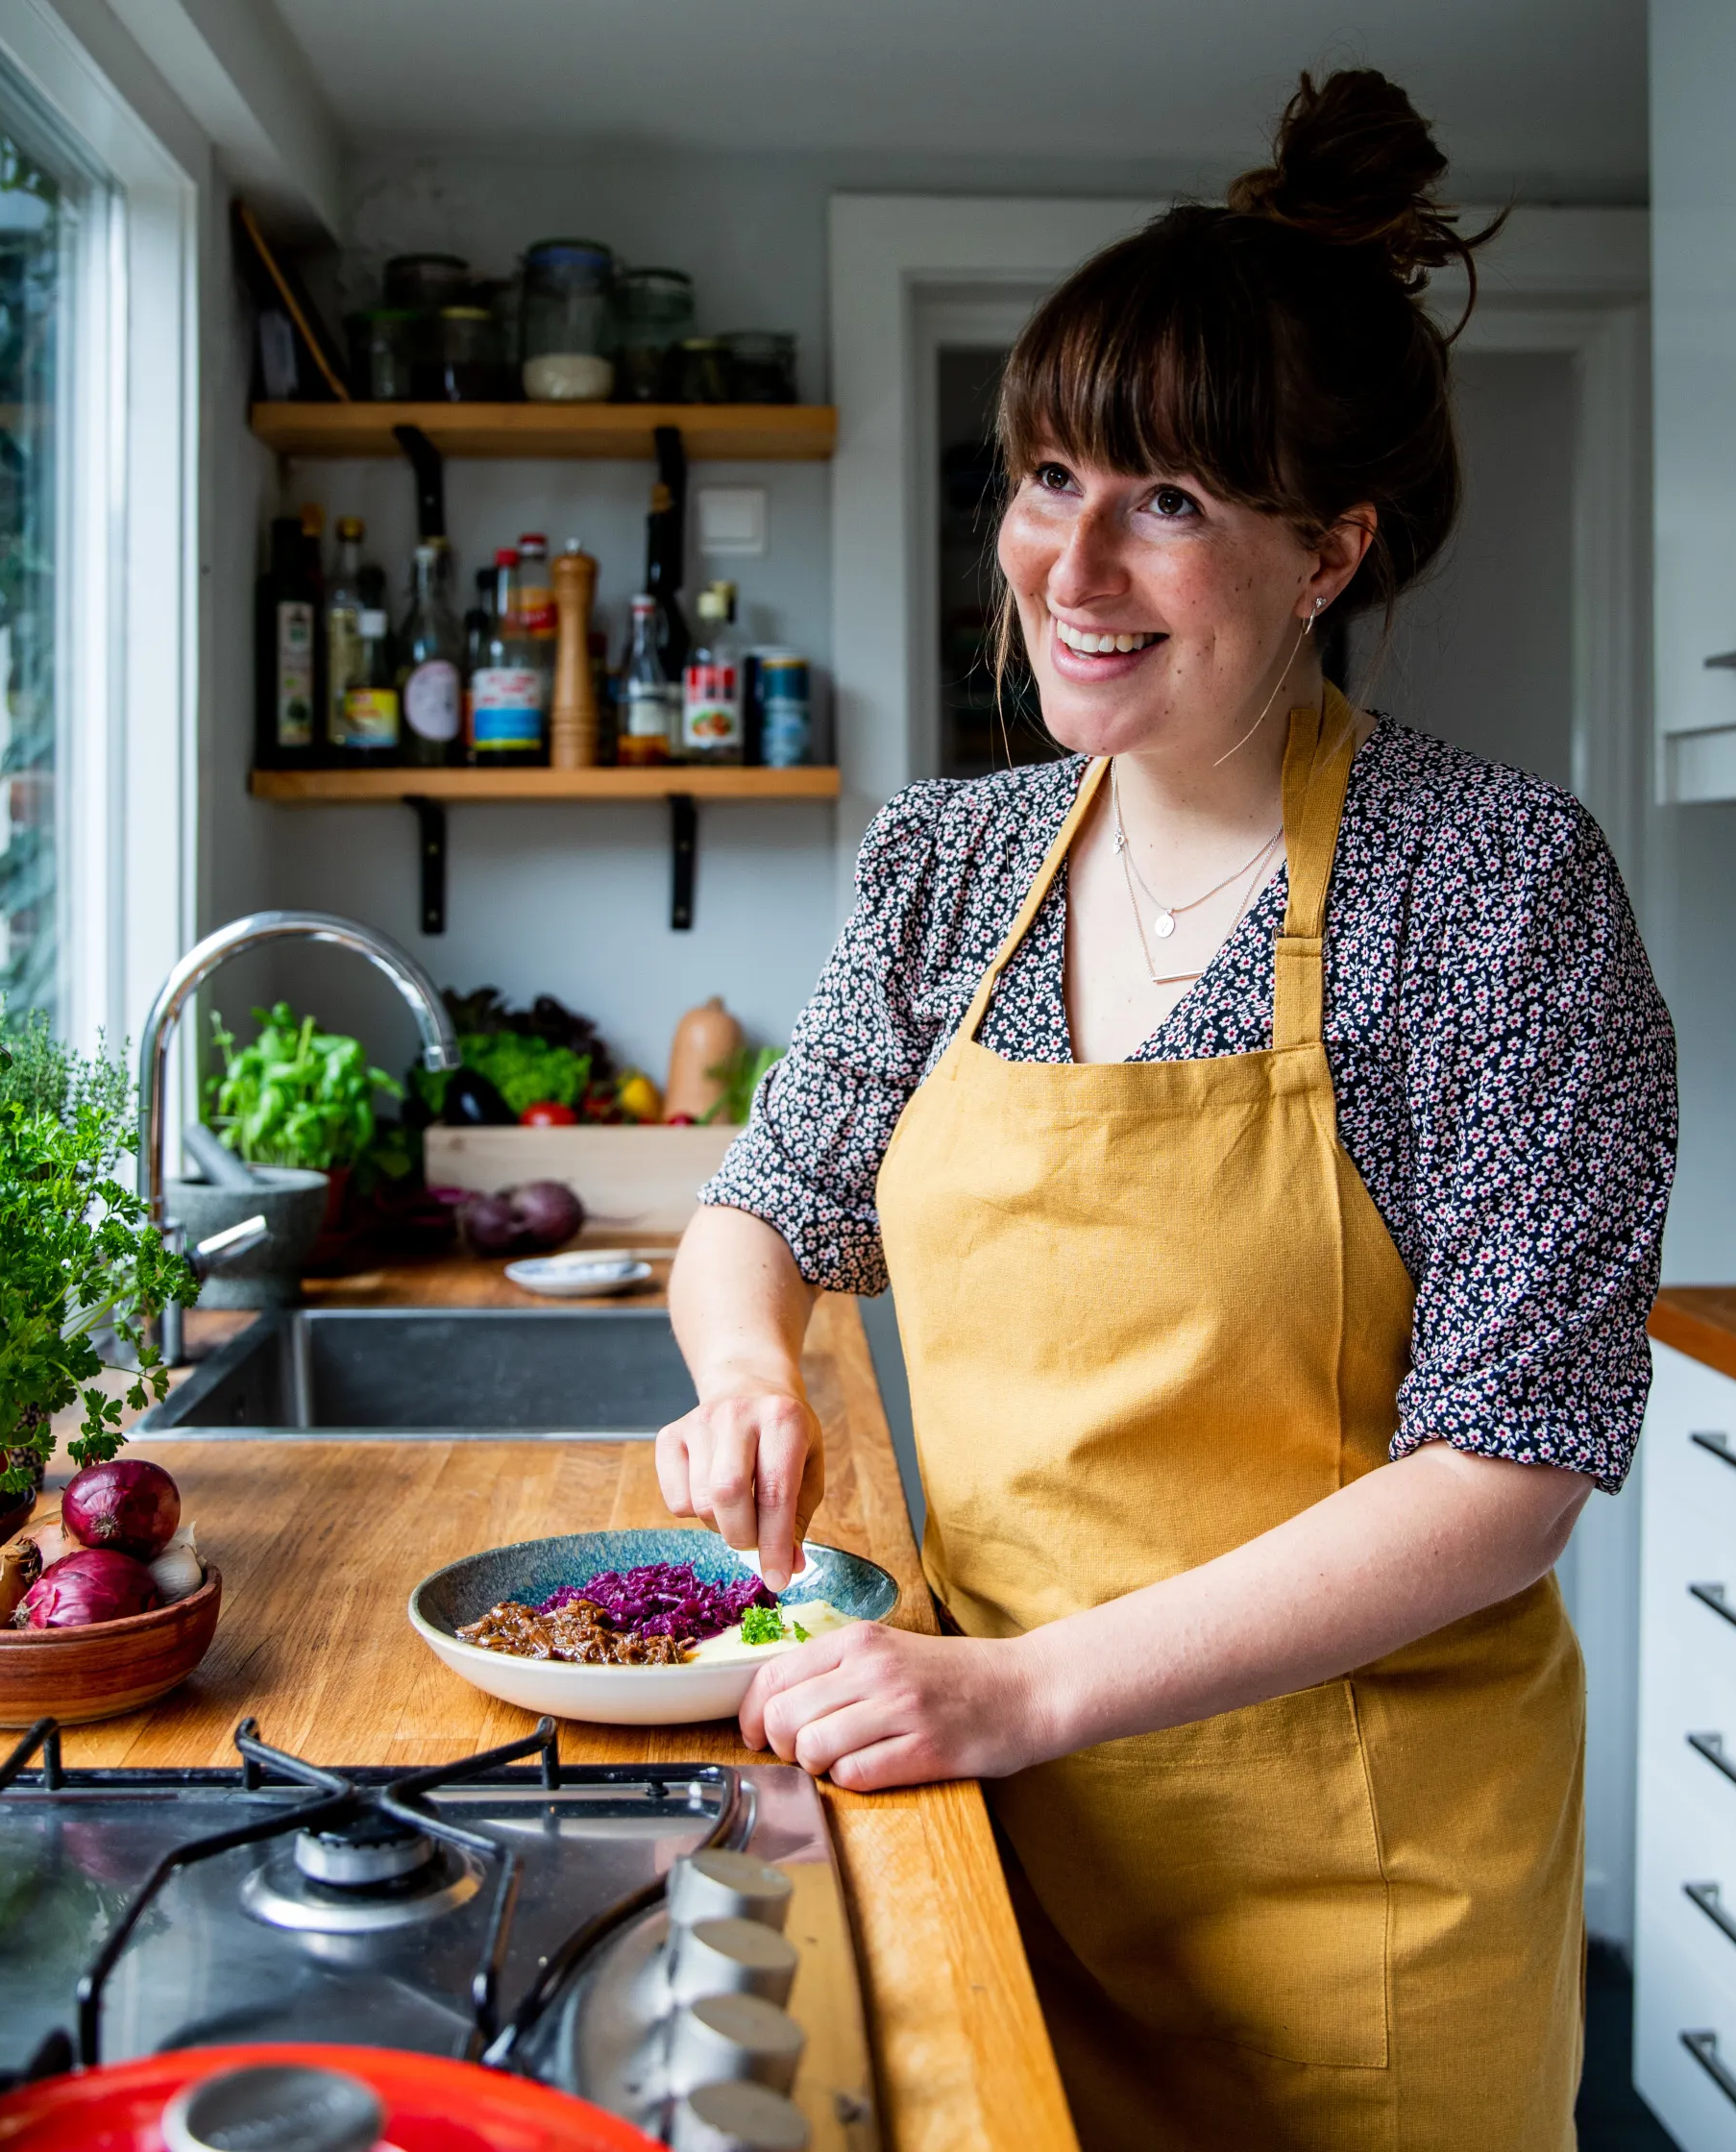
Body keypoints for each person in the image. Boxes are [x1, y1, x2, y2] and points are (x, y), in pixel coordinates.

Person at [662, 67, 1676, 2152]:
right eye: (1049, 475)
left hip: (1355, 1902)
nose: (1073, 561)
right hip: (987, 1826)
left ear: (1335, 550)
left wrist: (1028, 1693)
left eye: (1174, 502)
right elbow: (767, 1200)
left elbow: (1510, 1465)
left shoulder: (1488, 885)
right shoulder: (946, 867)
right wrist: (750, 1363)